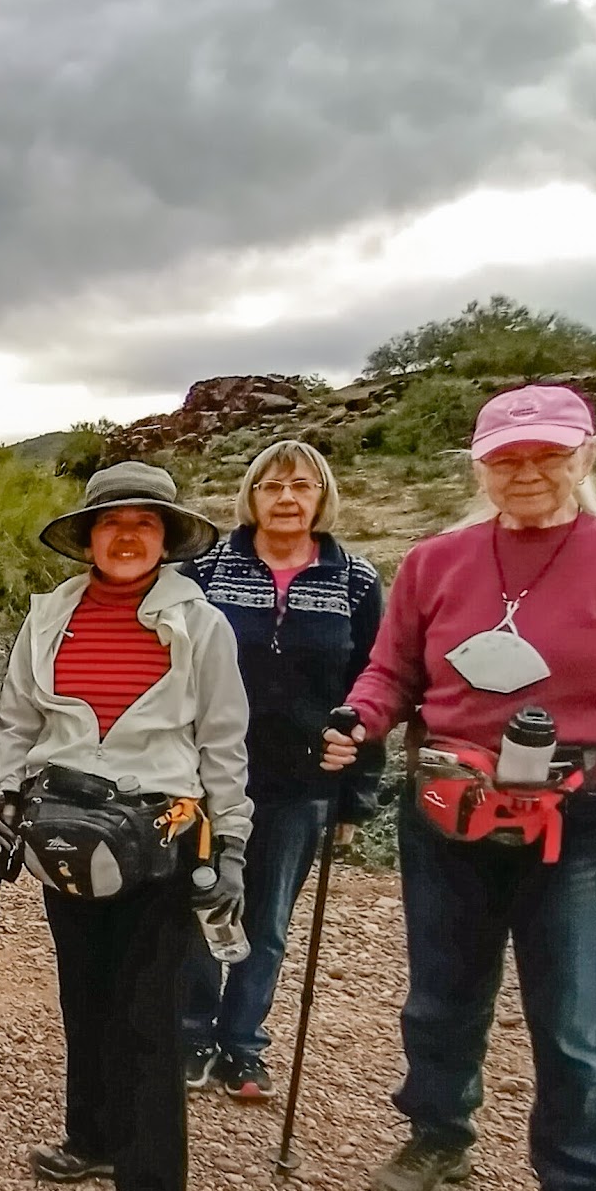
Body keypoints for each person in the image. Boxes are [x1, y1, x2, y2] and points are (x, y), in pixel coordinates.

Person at [322, 384, 596, 1191]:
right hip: (450, 807)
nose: (526, 472)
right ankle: (436, 1135)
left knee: (577, 1015)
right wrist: (360, 716)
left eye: (546, 454)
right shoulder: (434, 562)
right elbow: (394, 669)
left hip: (585, 815)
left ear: (585, 455)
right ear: (480, 465)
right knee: (441, 994)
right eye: (506, 457)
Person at [0, 462, 251, 1191]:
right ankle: (91, 1138)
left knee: (146, 1014)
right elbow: (18, 718)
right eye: (111, 522)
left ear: (166, 536)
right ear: (89, 536)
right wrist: (4, 798)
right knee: (83, 993)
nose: (128, 534)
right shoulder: (48, 617)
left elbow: (221, 743)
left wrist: (231, 843)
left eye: (145, 522)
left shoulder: (199, 624)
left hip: (159, 834)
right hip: (63, 828)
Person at [180, 441, 385, 1101]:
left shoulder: (354, 579)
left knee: (265, 918)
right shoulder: (205, 569)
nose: (287, 498)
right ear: (251, 496)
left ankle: (242, 1044)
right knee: (196, 904)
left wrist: (355, 795)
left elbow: (370, 687)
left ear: (321, 496)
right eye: (272, 486)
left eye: (301, 485)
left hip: (299, 779)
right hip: (206, 773)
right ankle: (189, 1035)